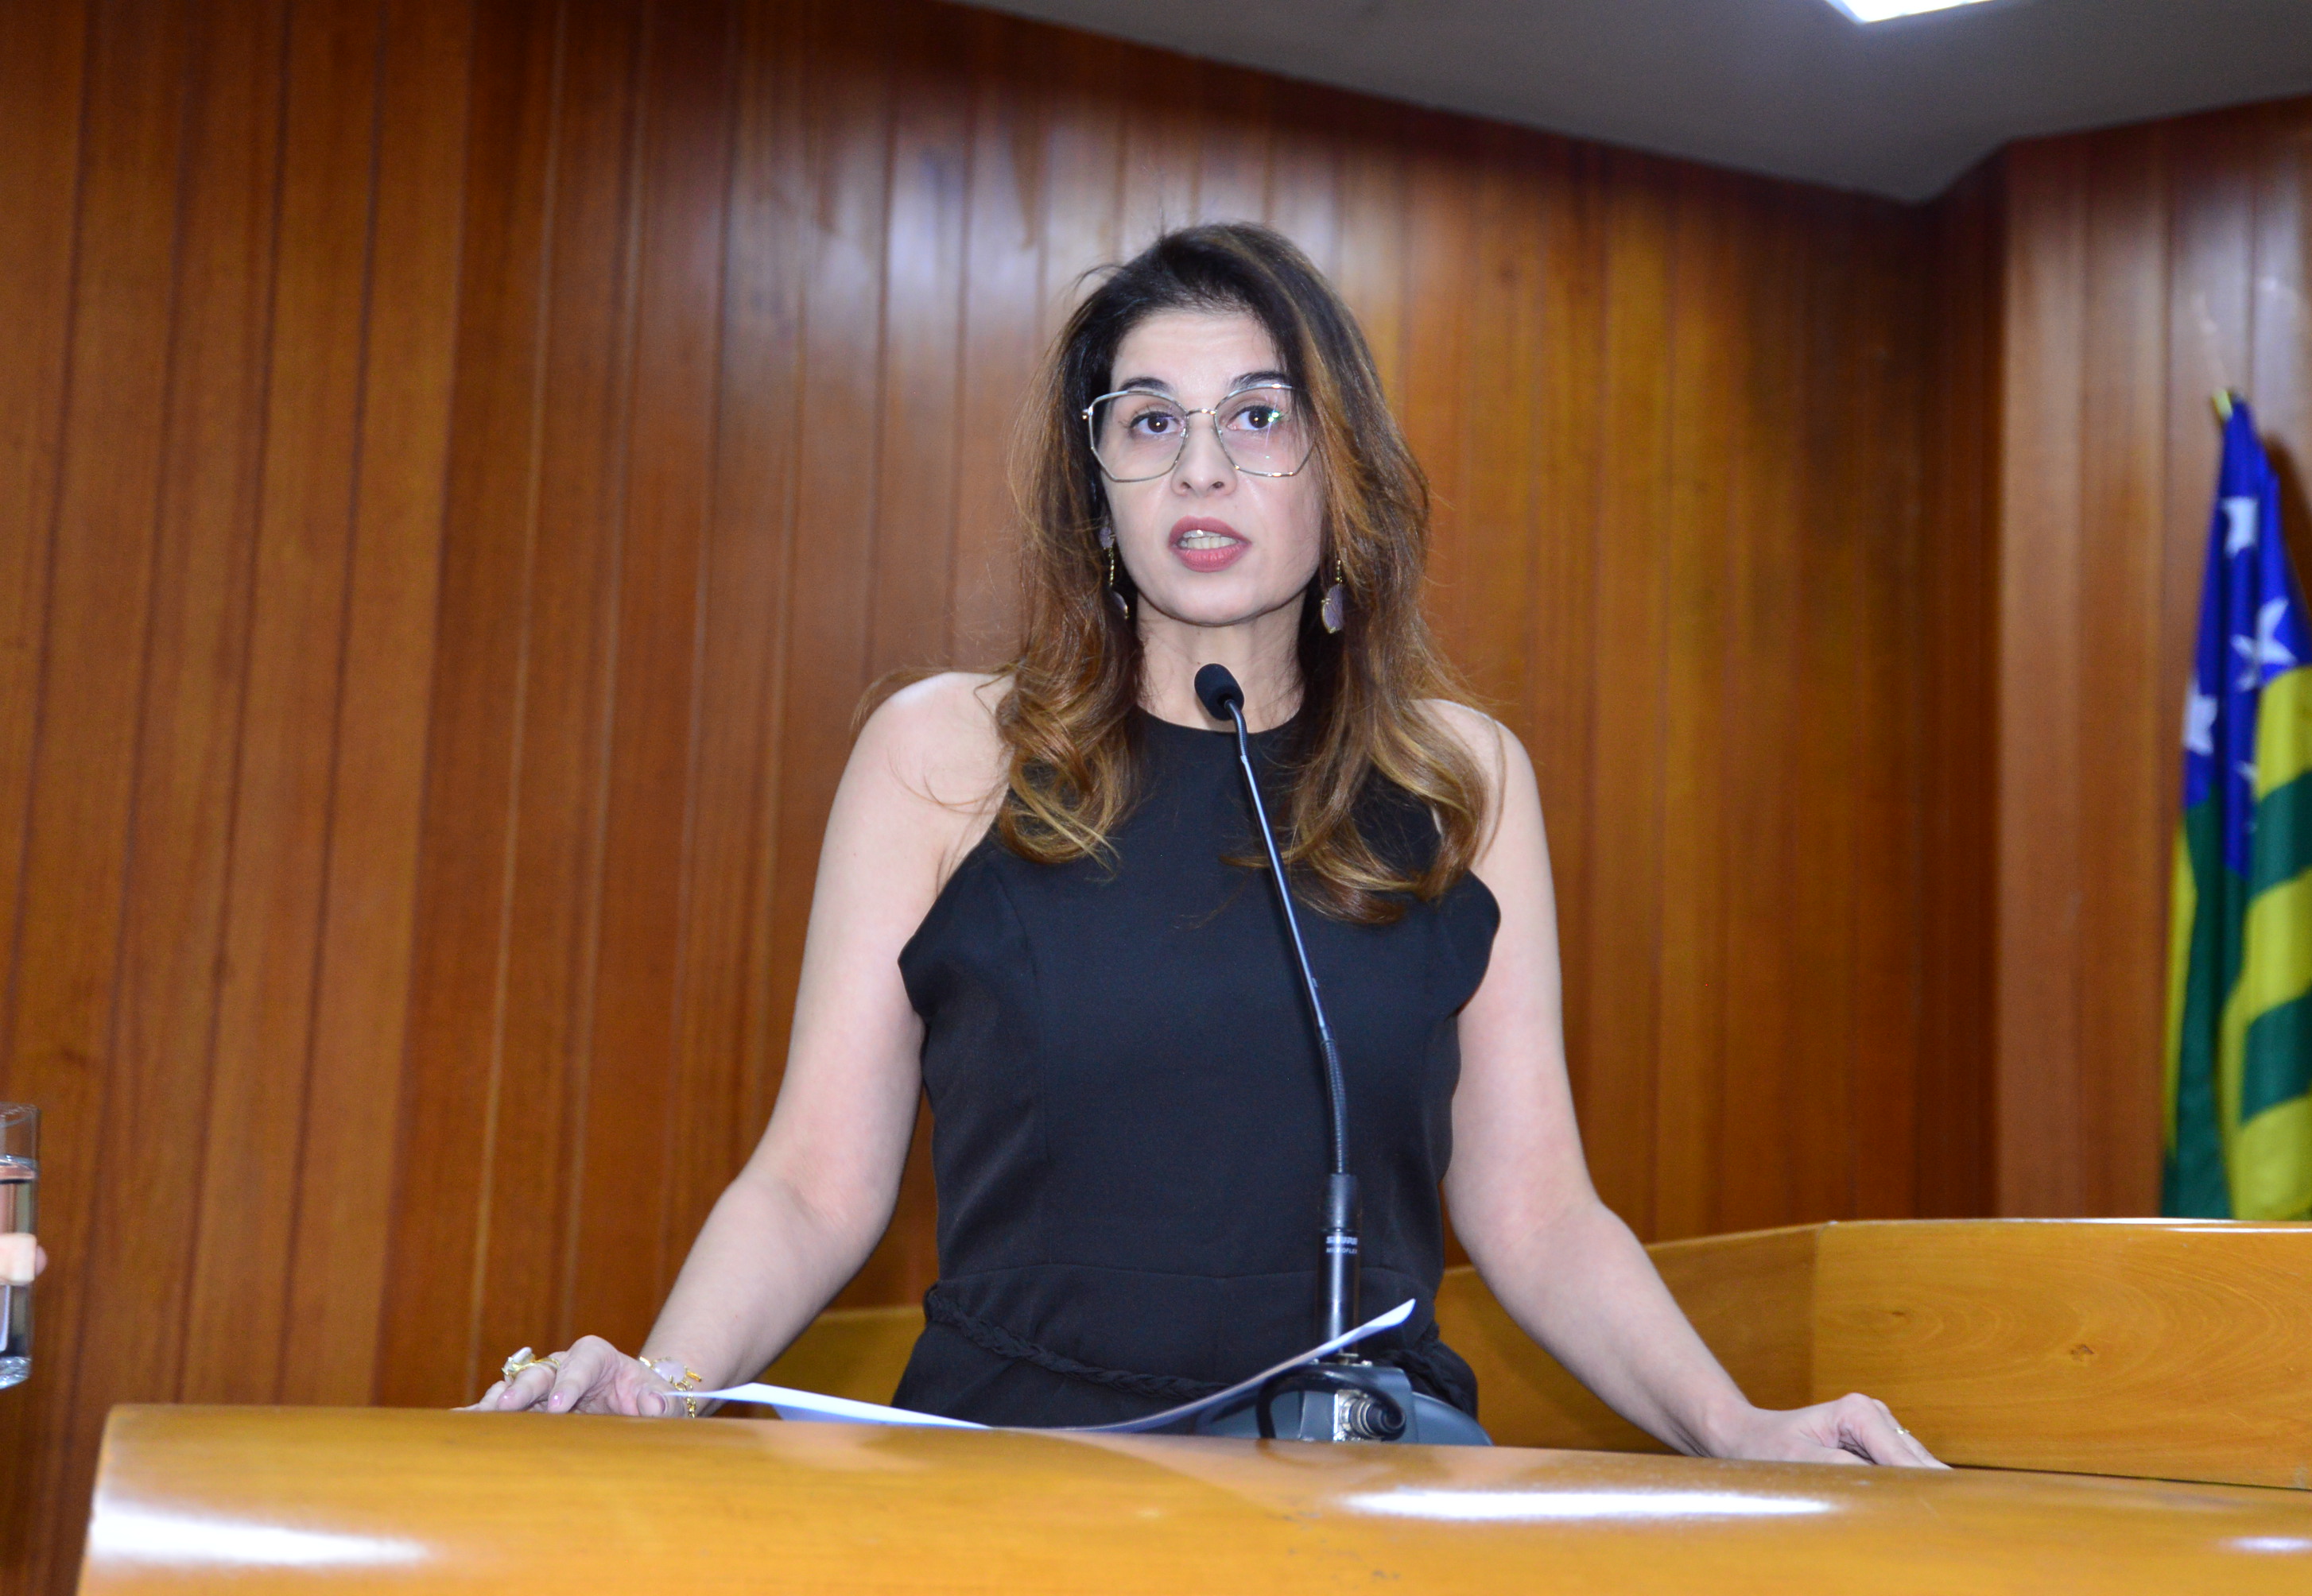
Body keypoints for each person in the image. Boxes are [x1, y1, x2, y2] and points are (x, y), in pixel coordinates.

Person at [473, 223, 1942, 1467]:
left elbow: (1539, 1211)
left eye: (1258, 415)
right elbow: (812, 1180)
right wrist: (657, 1386)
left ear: (1338, 467)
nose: (1200, 467)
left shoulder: (1460, 779)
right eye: (1149, 421)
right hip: (1020, 1475)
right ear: (1098, 487)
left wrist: (1736, 1428)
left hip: (1362, 1486)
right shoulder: (945, 756)